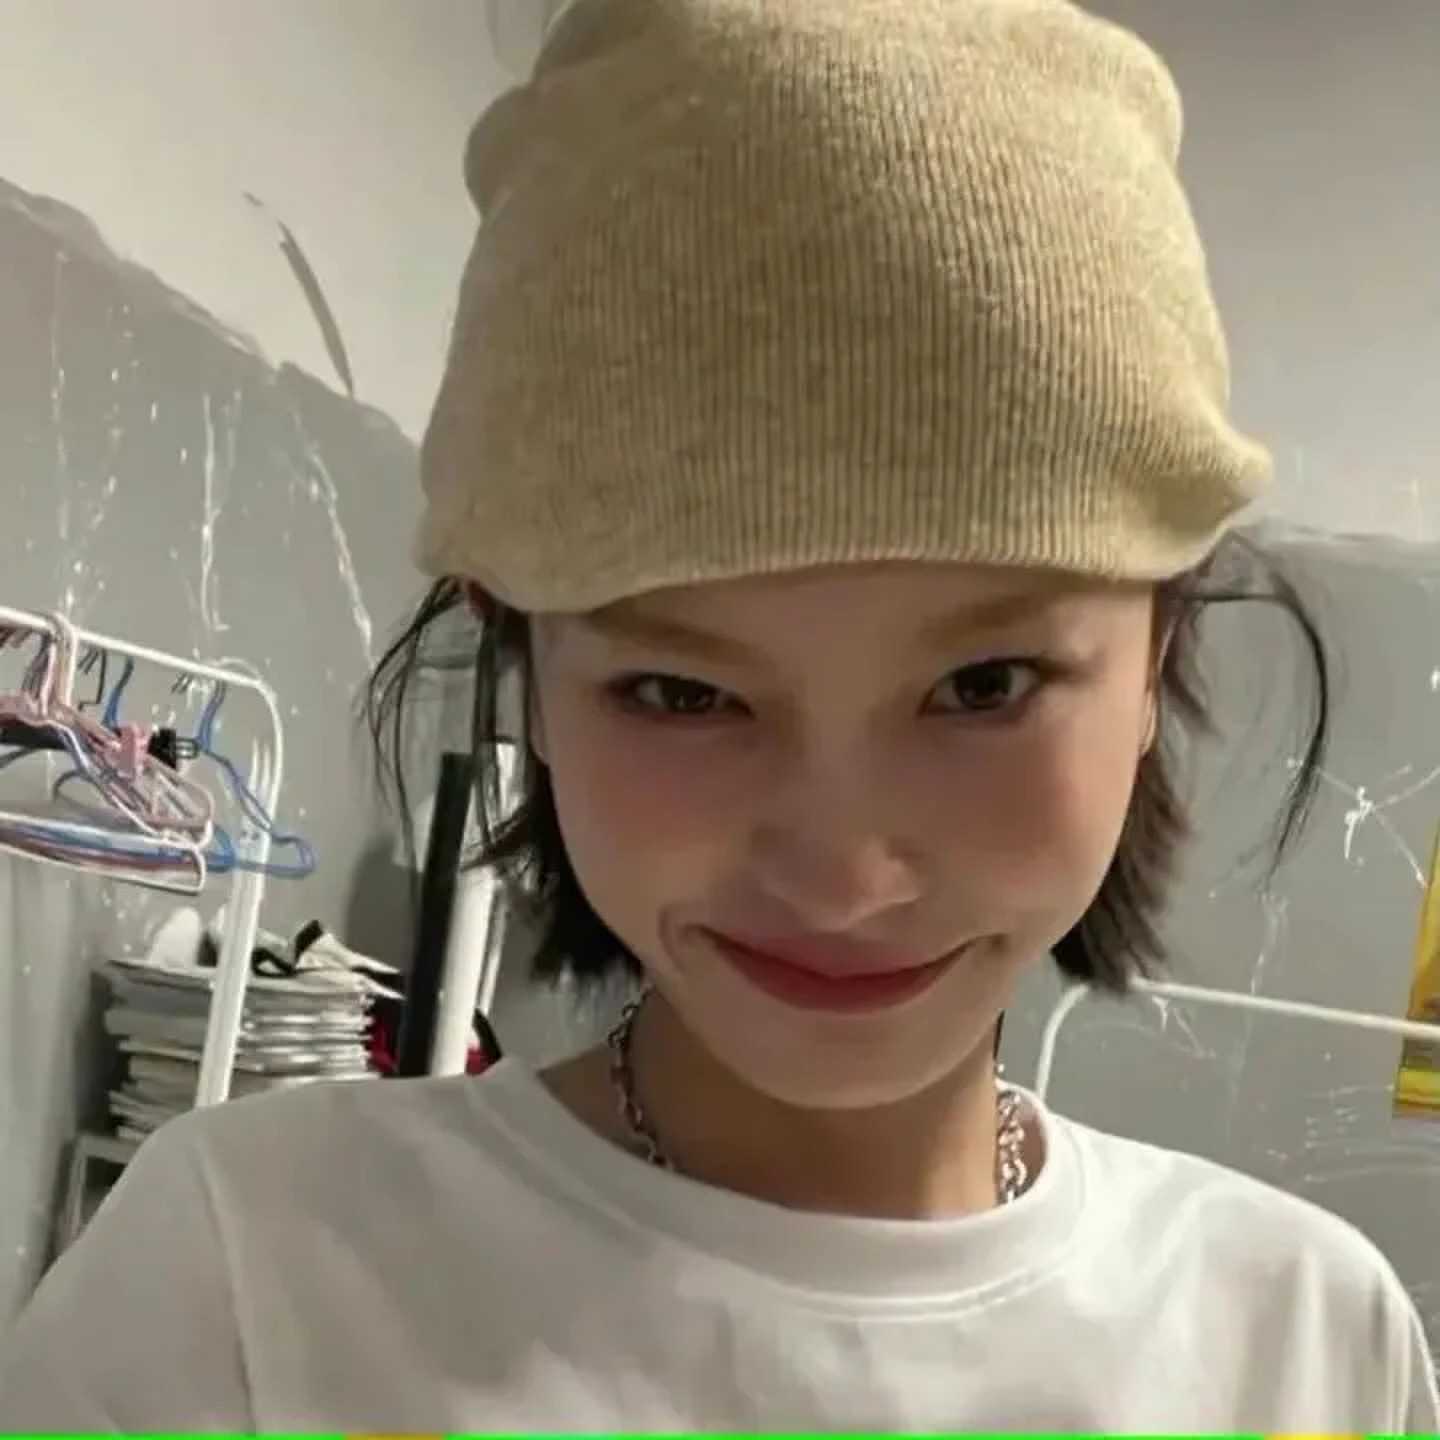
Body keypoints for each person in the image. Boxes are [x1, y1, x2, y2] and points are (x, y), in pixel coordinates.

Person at [1, 0, 1436, 1430]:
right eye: (684, 693)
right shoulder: (249, 1281)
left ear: (1156, 655)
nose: (843, 877)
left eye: (983, 686)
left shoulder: (1305, 1346)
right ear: (528, 670)